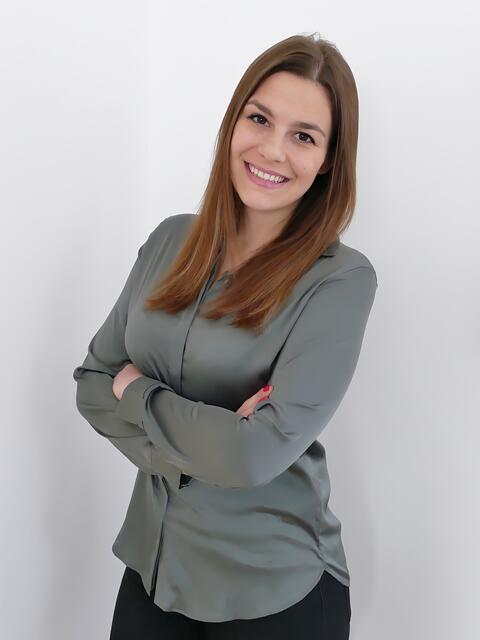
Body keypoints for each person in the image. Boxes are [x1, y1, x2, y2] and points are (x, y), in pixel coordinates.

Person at [73, 31, 377, 639]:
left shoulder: (340, 280)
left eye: (304, 136)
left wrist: (136, 392)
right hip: (155, 568)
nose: (272, 150)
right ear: (233, 122)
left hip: (273, 589)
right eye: (259, 119)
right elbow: (91, 384)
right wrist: (207, 447)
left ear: (328, 160)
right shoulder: (169, 240)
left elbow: (253, 454)